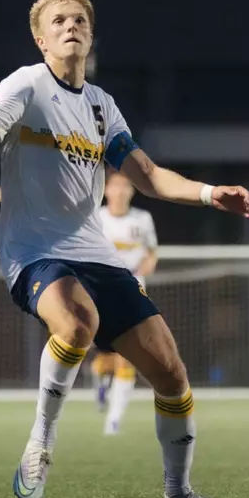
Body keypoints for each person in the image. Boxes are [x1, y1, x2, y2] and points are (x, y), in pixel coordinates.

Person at [0, 0, 249, 498]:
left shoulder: (104, 108)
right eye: (58, 21)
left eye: (79, 20)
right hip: (34, 252)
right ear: (40, 39)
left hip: (97, 255)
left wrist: (207, 194)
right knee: (76, 323)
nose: (70, 27)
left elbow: (148, 175)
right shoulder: (27, 85)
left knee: (172, 376)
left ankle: (179, 494)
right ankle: (41, 441)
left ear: (90, 35)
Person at [94, 171, 158, 433]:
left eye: (125, 186)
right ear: (106, 190)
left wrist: (140, 272)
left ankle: (114, 419)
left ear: (132, 191)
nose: (120, 191)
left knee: (128, 356)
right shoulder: (95, 219)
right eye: (115, 186)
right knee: (104, 358)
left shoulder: (142, 220)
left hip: (132, 295)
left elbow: (152, 253)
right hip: (100, 293)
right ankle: (101, 381)